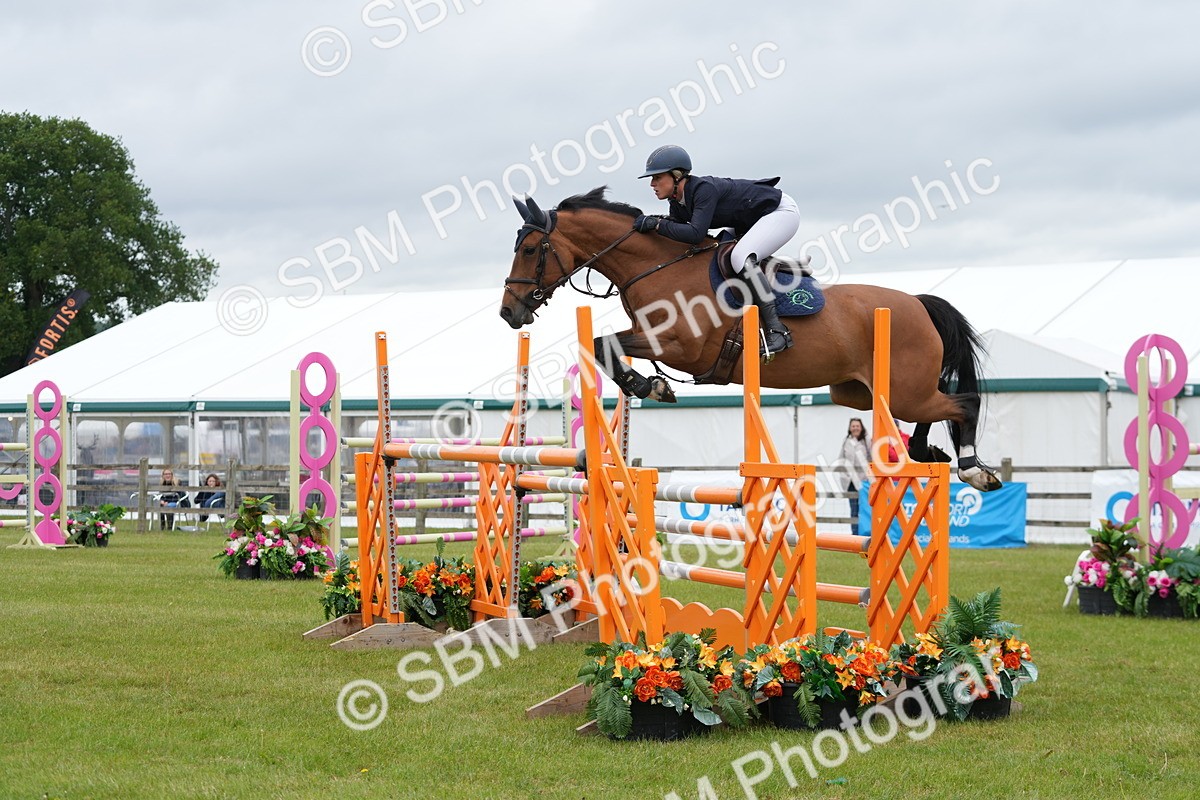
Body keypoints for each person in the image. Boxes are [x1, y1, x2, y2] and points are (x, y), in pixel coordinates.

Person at [633, 144, 801, 361]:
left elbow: (694, 233)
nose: (652, 184)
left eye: (657, 178)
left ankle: (778, 330)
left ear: (676, 176)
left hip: (779, 212)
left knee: (740, 257)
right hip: (748, 220)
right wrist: (654, 222)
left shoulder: (703, 190)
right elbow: (675, 227)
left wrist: (656, 224)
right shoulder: (677, 201)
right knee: (723, 252)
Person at [837, 418, 871, 535]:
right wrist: (844, 474)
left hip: (864, 482)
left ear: (861, 427)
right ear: (850, 428)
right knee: (854, 510)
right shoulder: (846, 441)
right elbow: (841, 459)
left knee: (866, 509)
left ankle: (867, 533)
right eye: (853, 426)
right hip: (850, 482)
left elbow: (872, 459)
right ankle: (855, 535)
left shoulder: (867, 441)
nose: (855, 428)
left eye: (857, 426)